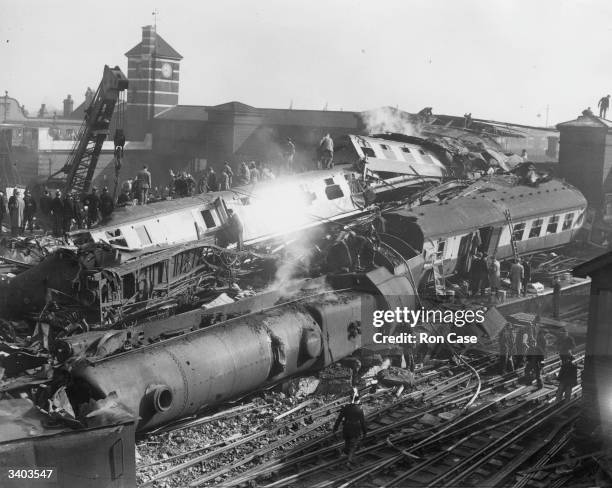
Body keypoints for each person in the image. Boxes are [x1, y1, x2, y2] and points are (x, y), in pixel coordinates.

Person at [333, 392, 367, 466]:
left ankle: (343, 457)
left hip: (346, 429)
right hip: (355, 429)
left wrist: (335, 429)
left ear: (351, 399)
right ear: (358, 400)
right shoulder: (359, 409)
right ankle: (349, 461)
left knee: (347, 443)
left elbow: (339, 419)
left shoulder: (346, 407)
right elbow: (362, 422)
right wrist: (365, 432)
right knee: (353, 445)